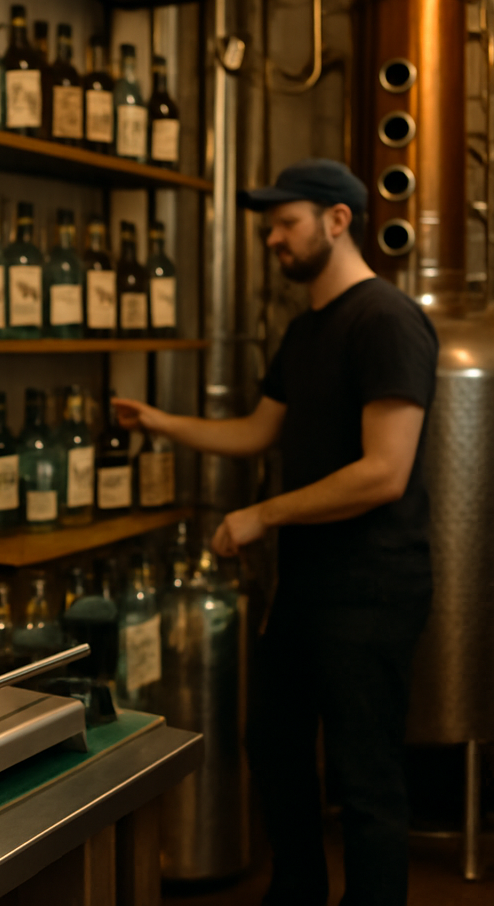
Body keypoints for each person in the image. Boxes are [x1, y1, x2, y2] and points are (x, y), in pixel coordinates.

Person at [114, 159, 438, 906]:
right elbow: (257, 432)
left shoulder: (386, 319)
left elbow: (383, 472)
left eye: (286, 224)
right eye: (268, 228)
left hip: (374, 587)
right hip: (307, 584)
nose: (272, 240)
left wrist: (265, 514)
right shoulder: (306, 331)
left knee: (365, 779)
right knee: (276, 747)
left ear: (338, 220)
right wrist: (160, 423)